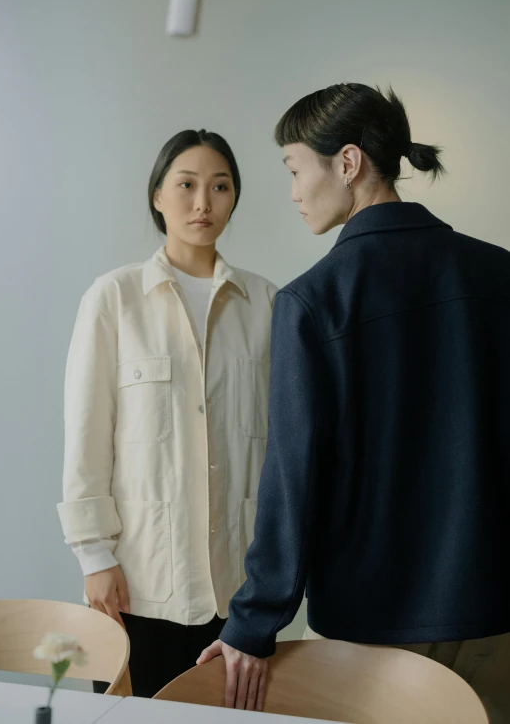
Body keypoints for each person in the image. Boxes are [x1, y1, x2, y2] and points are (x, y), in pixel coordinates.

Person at [198, 83, 510, 723]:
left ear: (346, 163)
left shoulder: (313, 301)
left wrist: (254, 621)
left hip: (373, 624)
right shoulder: (499, 276)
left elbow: (293, 474)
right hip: (496, 608)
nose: (291, 192)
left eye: (293, 169)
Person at [58, 129, 277, 698]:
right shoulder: (115, 298)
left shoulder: (268, 305)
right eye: (186, 184)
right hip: (140, 576)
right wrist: (93, 555)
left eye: (220, 187)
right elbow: (87, 435)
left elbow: (282, 446)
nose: (202, 202)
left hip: (241, 582)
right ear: (157, 195)